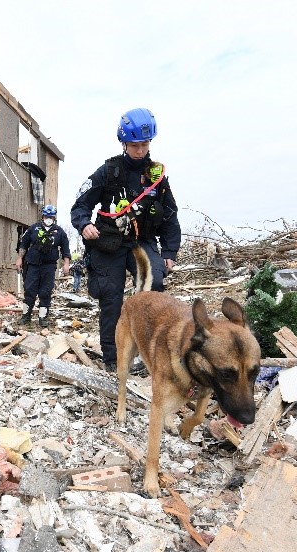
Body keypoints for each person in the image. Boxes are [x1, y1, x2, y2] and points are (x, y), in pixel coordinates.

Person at [70, 107, 181, 372]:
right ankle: (113, 357)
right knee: (111, 298)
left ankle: (147, 353)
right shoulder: (108, 172)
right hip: (109, 244)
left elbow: (170, 216)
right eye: (134, 145)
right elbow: (80, 205)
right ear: (123, 143)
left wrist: (169, 252)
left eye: (144, 144)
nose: (140, 150)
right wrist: (84, 224)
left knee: (153, 287)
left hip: (141, 243)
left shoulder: (157, 178)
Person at [16, 204, 71, 328]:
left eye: (51, 217)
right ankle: (26, 316)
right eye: (47, 216)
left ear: (54, 217)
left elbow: (65, 249)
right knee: (29, 290)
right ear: (43, 216)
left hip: (49, 266)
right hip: (33, 265)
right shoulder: (33, 229)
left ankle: (43, 318)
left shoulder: (59, 232)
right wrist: (19, 258)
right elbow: (24, 244)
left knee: (45, 291)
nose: (48, 218)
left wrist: (66, 264)